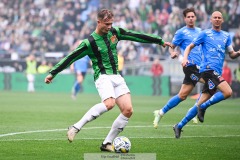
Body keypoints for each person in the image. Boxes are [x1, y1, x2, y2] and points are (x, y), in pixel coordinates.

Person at [44, 9, 171, 152]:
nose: (109, 26)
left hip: (117, 76)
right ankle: (75, 127)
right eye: (106, 24)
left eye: (111, 23)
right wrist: (52, 73)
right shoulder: (89, 42)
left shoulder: (115, 32)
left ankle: (106, 143)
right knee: (109, 103)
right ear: (98, 22)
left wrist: (159, 41)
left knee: (128, 110)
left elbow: (135, 35)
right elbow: (70, 57)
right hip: (102, 77)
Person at [173, 11, 240, 138]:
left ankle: (179, 125)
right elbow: (189, 47)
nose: (217, 19)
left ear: (222, 20)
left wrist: (238, 53)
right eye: (215, 17)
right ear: (211, 19)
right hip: (207, 69)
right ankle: (204, 107)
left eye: (219, 17)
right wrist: (185, 58)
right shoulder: (205, 34)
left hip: (216, 72)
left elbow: (231, 54)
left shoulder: (226, 36)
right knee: (228, 92)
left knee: (198, 104)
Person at [153, 8, 203, 129]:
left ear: (195, 18)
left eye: (192, 16)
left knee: (182, 96)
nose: (191, 18)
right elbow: (172, 46)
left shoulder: (201, 31)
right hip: (189, 66)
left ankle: (160, 112)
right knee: (212, 83)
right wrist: (172, 53)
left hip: (201, 66)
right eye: (188, 17)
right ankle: (195, 110)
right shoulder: (181, 32)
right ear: (185, 19)